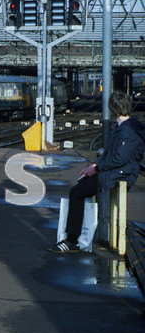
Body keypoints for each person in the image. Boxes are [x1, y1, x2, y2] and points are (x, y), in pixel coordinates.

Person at [50, 91, 145, 252]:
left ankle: (72, 240)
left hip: (120, 174)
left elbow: (118, 159)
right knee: (78, 191)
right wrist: (93, 166)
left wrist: (96, 168)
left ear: (112, 108)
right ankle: (75, 237)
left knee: (77, 193)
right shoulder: (124, 127)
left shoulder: (128, 130)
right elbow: (111, 154)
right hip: (115, 171)